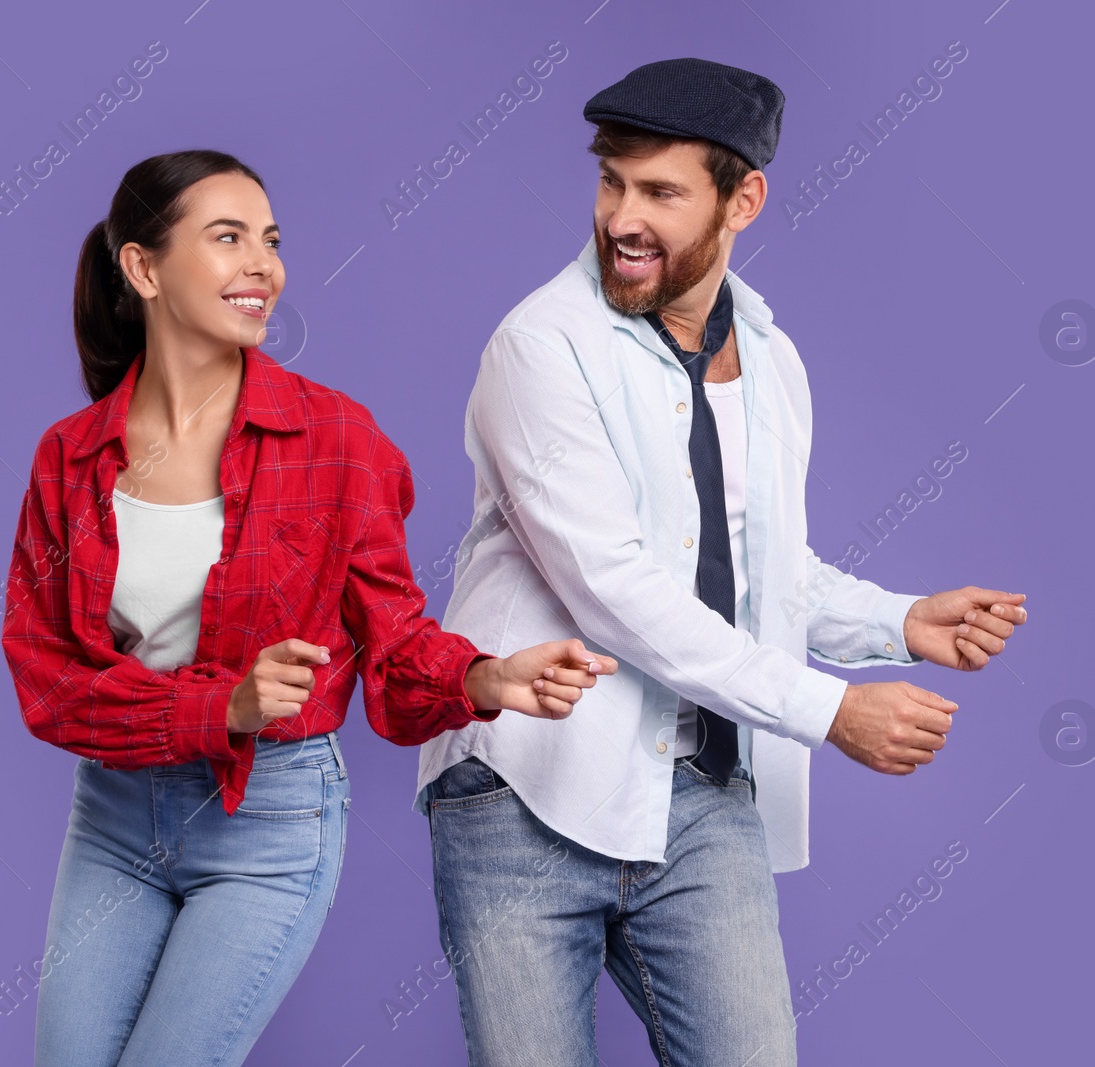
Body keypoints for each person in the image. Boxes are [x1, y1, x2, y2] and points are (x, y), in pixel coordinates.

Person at [415, 59, 1028, 1066]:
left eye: (659, 191)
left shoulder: (774, 361)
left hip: (702, 794)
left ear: (744, 198)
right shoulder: (540, 347)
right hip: (528, 792)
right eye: (612, 181)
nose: (620, 215)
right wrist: (832, 709)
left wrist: (898, 619)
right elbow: (615, 590)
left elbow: (755, 568)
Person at [0, 148, 617, 1067]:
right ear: (143, 268)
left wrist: (484, 675)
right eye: (228, 237)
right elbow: (48, 682)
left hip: (270, 820)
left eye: (272, 240)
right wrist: (223, 706)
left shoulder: (336, 442)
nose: (264, 265)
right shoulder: (71, 458)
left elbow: (396, 643)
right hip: (115, 816)